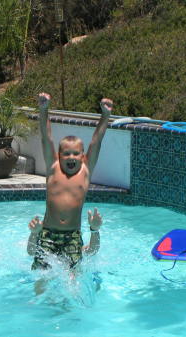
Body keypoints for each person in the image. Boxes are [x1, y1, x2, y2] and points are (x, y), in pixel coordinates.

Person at [32, 93, 112, 273]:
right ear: (58, 156)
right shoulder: (53, 169)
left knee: (74, 274)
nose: (71, 157)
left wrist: (105, 116)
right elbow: (47, 138)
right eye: (66, 153)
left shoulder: (85, 171)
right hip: (48, 233)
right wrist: (44, 110)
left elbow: (96, 142)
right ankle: (39, 301)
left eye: (76, 153)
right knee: (41, 275)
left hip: (72, 236)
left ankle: (71, 301)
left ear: (83, 156)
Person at [27, 208, 103, 257]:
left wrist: (94, 229)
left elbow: (92, 249)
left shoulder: (74, 249)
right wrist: (34, 233)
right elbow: (31, 252)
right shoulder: (47, 249)